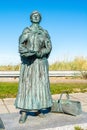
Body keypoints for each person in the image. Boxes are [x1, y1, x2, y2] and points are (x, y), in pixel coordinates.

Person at [15, 11, 53, 123]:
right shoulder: (26, 31)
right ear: (31, 18)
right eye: (33, 16)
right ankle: (24, 111)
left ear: (40, 18)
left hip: (41, 63)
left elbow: (49, 47)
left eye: (38, 16)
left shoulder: (44, 32)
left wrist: (41, 53)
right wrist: (28, 53)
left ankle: (40, 108)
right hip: (29, 63)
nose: (36, 17)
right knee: (27, 86)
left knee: (41, 85)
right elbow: (21, 45)